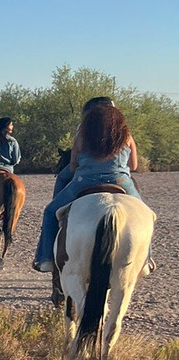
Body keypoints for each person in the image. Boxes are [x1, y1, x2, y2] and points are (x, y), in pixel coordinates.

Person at [32, 104, 142, 272]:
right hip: (119, 181)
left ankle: (46, 258)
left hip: (85, 182)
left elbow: (74, 166)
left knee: (50, 211)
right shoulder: (126, 135)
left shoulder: (82, 136)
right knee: (144, 214)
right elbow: (133, 165)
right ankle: (146, 259)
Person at [53, 96, 115, 197]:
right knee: (140, 206)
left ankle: (55, 204)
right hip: (116, 174)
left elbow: (75, 159)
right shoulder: (121, 129)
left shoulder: (83, 127)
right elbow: (133, 165)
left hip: (87, 170)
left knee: (62, 178)